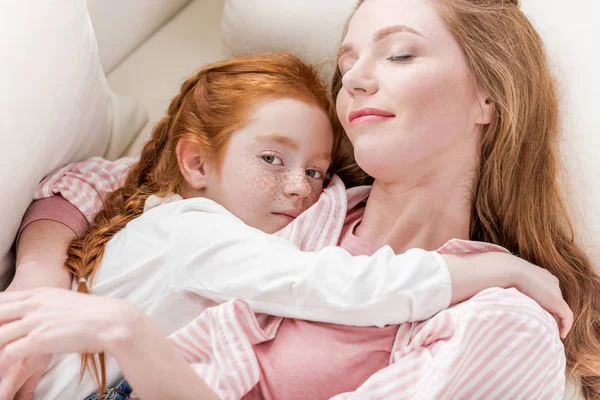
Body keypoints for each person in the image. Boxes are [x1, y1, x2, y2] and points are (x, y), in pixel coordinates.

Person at [3, 0, 598, 398]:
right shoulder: (303, 197)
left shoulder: (502, 321)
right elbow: (107, 183)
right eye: (348, 62)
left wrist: (128, 334)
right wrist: (36, 284)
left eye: (399, 53)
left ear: (488, 97)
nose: (358, 78)